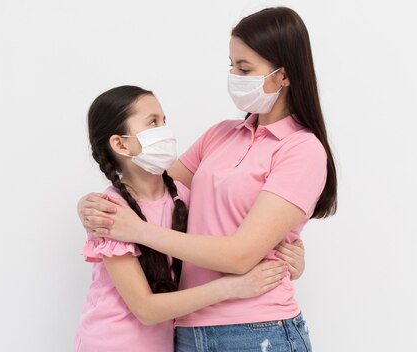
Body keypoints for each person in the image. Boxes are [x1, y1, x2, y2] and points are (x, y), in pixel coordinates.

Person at [79, 7, 336, 352]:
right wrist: (94, 205)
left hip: (257, 329)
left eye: (244, 68)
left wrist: (136, 231)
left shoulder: (302, 149)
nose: (233, 74)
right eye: (231, 64)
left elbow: (240, 256)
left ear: (284, 76)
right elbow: (147, 190)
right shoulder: (221, 135)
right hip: (188, 329)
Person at [74, 85, 305, 352]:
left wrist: (290, 255)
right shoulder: (112, 213)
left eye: (163, 120)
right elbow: (146, 309)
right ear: (120, 144)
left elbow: (235, 229)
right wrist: (233, 287)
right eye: (152, 122)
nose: (164, 130)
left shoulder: (182, 197)